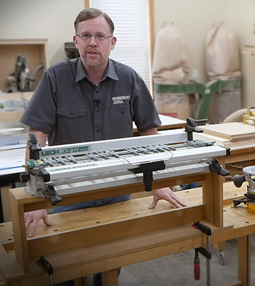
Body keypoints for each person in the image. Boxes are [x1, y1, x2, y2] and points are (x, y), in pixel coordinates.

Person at [20, 7, 187, 285]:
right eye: (86, 36)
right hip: (69, 194)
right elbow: (36, 138)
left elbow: (149, 130)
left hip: (116, 190)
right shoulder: (55, 78)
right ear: (76, 41)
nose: (92, 42)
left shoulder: (129, 78)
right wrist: (34, 197)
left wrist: (157, 181)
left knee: (110, 265)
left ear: (112, 42)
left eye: (100, 35)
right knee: (64, 267)